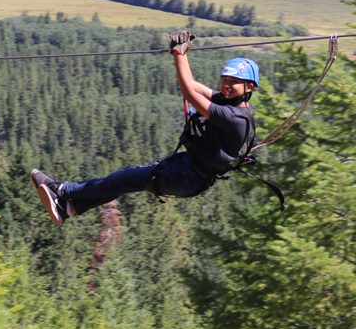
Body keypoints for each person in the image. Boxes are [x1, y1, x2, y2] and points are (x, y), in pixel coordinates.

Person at [31, 30, 259, 226]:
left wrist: (180, 54)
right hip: (188, 173)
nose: (226, 86)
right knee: (124, 181)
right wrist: (179, 58)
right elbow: (196, 87)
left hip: (187, 175)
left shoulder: (234, 117)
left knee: (123, 178)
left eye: (233, 82)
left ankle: (62, 192)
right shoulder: (230, 104)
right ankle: (71, 206)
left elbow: (189, 92)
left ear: (249, 87)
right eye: (224, 80)